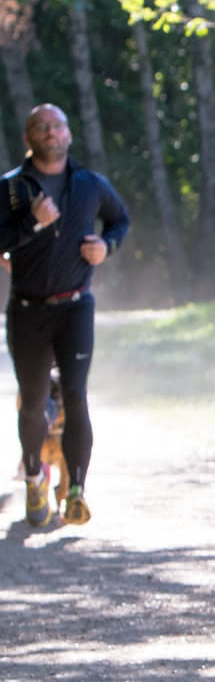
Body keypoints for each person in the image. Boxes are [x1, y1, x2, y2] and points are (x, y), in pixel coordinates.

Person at [1, 104, 130, 526]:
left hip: (76, 304)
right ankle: (36, 478)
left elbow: (120, 219)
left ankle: (76, 491)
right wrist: (32, 225)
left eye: (57, 126)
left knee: (75, 395)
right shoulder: (11, 188)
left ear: (69, 135)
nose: (50, 133)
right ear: (29, 138)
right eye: (40, 127)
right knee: (34, 401)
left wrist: (106, 246)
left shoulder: (90, 184)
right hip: (27, 310)